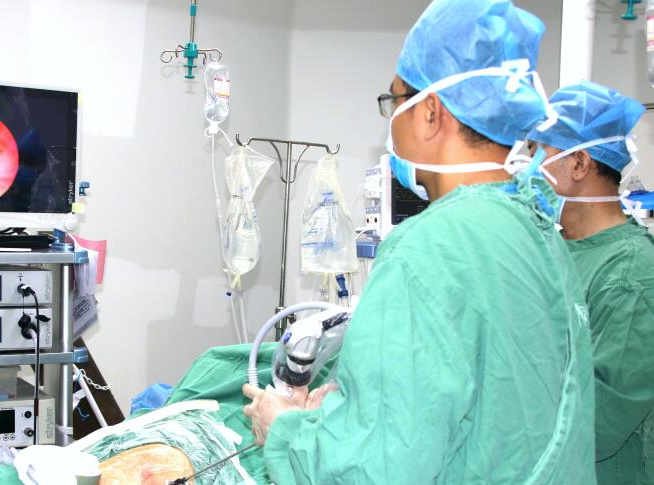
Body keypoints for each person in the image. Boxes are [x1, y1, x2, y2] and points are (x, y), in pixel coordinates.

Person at [242, 0, 597, 483]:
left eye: (395, 102)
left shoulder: (426, 250)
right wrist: (349, 413)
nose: (391, 120)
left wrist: (284, 428)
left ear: (430, 112)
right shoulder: (537, 232)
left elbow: (375, 469)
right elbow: (500, 403)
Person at [527, 81, 654, 484]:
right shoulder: (551, 249)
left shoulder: (631, 273)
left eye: (538, 152)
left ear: (579, 164)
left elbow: (599, 418)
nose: (526, 169)